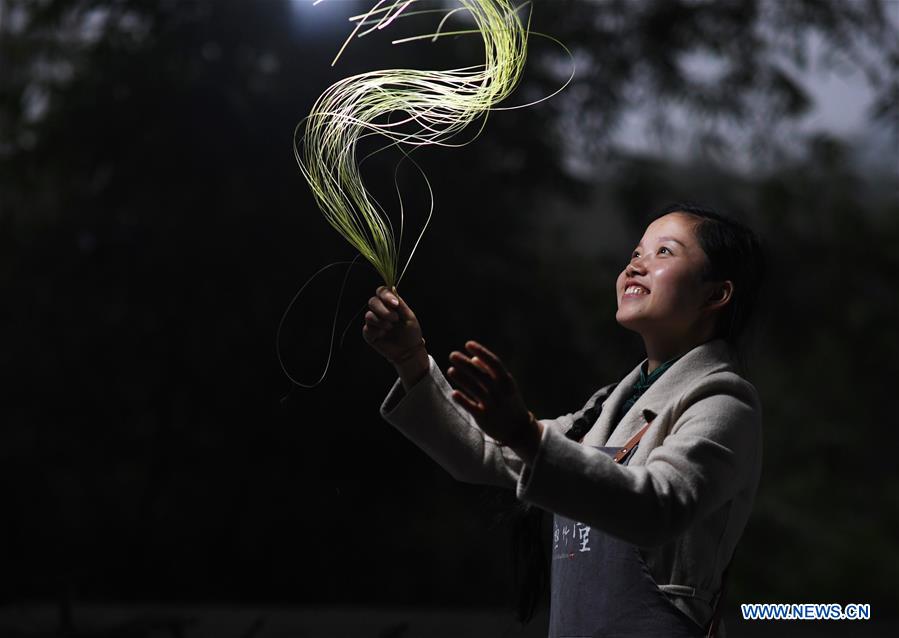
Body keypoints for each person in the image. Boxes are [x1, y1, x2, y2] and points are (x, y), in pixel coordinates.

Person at [363, 202, 766, 638]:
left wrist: (526, 435)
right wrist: (411, 360)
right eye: (635, 253)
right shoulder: (607, 408)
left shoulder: (725, 401)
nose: (636, 266)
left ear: (716, 295)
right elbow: (480, 452)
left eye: (664, 253)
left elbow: (659, 507)